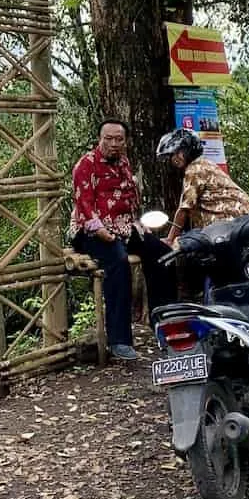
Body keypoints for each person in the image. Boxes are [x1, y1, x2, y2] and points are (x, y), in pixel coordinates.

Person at [71, 118, 176, 361]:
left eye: (119, 139)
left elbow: (131, 199)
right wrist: (99, 229)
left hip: (124, 227)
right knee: (118, 262)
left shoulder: (124, 163)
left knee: (162, 253)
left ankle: (165, 322)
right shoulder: (86, 165)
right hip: (89, 230)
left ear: (125, 141)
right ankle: (119, 340)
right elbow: (83, 203)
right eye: (109, 139)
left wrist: (138, 224)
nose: (114, 144)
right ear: (100, 139)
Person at [155, 128, 249, 245]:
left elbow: (184, 209)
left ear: (188, 150)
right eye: (172, 155)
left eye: (178, 152)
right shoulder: (207, 164)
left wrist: (170, 238)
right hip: (246, 218)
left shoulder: (194, 169)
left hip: (230, 222)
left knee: (180, 245)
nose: (174, 158)